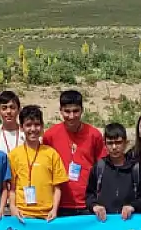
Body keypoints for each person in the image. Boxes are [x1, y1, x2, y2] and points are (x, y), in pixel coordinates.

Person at [42, 89, 105, 218]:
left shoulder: (94, 135)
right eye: (67, 111)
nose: (71, 116)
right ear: (60, 111)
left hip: (88, 203)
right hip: (59, 204)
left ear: (82, 110)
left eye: (75, 111)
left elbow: (103, 168)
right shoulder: (50, 136)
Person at [8, 105, 67, 221]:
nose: (33, 129)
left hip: (47, 216)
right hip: (22, 215)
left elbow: (57, 187)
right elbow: (12, 187)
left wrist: (54, 209)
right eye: (28, 125)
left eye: (37, 124)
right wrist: (13, 207)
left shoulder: (51, 153)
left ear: (42, 126)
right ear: (21, 127)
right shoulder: (14, 155)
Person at [86, 122, 141, 221]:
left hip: (130, 223)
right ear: (105, 144)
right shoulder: (99, 167)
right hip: (104, 223)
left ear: (126, 143)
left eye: (118, 142)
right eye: (110, 143)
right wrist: (95, 206)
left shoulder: (136, 168)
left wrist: (133, 206)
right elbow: (89, 195)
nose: (114, 147)